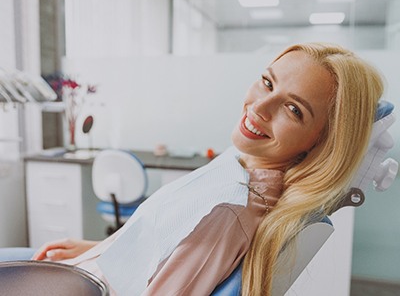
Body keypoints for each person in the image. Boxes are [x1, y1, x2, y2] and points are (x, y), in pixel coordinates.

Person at [2, 42, 384, 295]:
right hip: (95, 267)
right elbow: (161, 237)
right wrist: (100, 249)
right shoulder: (235, 164)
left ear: (319, 141)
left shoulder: (229, 211)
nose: (260, 107)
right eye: (267, 82)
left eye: (293, 109)